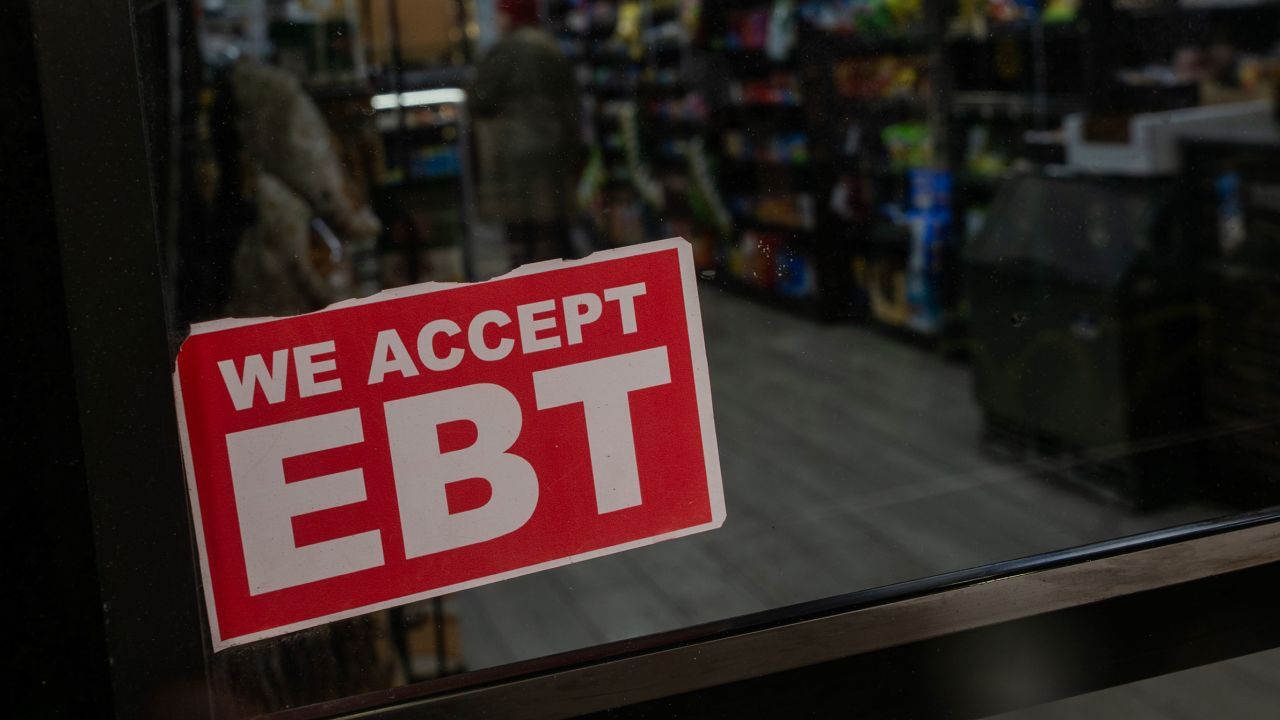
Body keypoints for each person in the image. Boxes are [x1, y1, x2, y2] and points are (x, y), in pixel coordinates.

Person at [471, 0, 583, 266]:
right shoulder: (551, 48)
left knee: (521, 234)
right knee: (553, 230)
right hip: (554, 148)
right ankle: (563, 287)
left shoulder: (504, 50)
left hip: (514, 152)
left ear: (512, 16)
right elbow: (572, 103)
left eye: (501, 14)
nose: (497, 20)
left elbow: (480, 99)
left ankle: (529, 292)